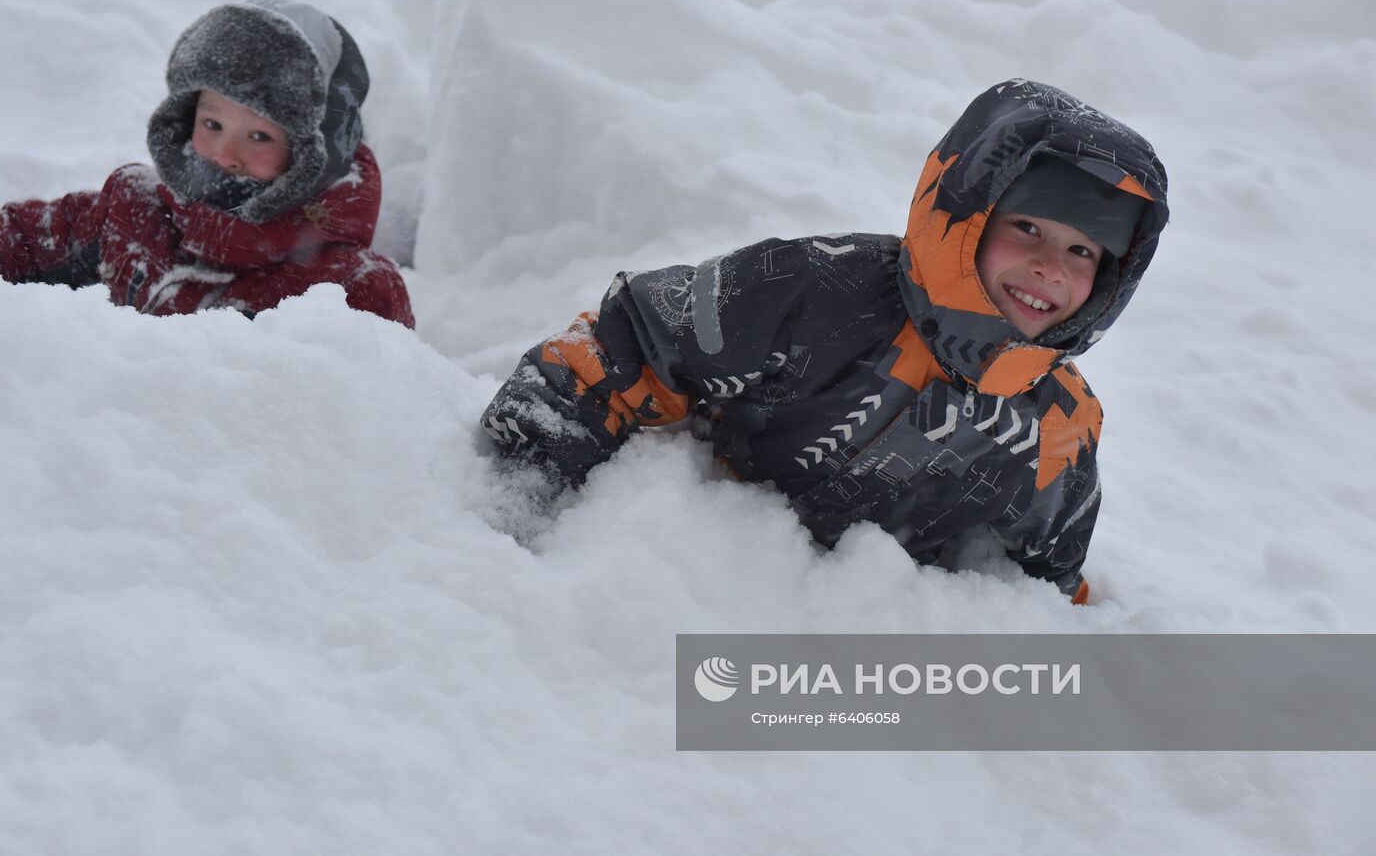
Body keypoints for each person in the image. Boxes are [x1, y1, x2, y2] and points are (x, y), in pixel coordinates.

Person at [480, 79, 1169, 603]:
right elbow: (632, 336)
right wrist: (525, 487)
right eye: (1028, 229)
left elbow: (1046, 581)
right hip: (684, 575)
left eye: (1083, 251)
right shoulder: (817, 288)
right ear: (967, 217)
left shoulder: (1060, 428)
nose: (1050, 266)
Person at [0, 0, 414, 327]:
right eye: (212, 123)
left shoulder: (348, 288)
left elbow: (373, 417)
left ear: (313, 155)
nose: (225, 155)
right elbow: (17, 243)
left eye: (259, 135)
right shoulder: (133, 210)